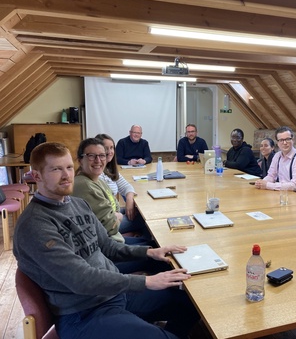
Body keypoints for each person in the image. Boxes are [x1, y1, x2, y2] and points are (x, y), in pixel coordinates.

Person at [13, 142, 200, 339]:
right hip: (84, 314)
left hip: (112, 295)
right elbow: (81, 280)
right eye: (56, 169)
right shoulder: (35, 225)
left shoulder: (77, 204)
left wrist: (149, 252)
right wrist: (146, 281)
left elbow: (107, 246)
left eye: (68, 167)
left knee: (188, 303)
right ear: (37, 176)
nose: (67, 175)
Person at [73, 138, 151, 246]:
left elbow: (116, 206)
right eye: (91, 156)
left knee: (148, 238)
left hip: (113, 239)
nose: (98, 160)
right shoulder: (85, 185)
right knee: (146, 219)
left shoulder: (98, 179)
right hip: (108, 246)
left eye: (101, 155)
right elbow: (110, 225)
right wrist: (117, 216)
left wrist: (117, 214)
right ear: (80, 160)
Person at [254, 126, 296, 195]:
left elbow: (295, 185)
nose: (285, 143)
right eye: (281, 140)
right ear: (278, 142)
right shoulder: (277, 156)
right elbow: (271, 176)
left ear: (293, 140)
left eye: (288, 139)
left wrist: (268, 185)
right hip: (282, 192)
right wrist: (262, 183)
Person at [96, 133, 137, 221]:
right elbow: (102, 211)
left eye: (111, 148)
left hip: (114, 213)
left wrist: (129, 199)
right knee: (143, 221)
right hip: (108, 220)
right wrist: (119, 216)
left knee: (139, 214)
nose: (110, 152)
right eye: (106, 148)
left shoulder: (109, 170)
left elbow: (127, 186)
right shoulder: (97, 174)